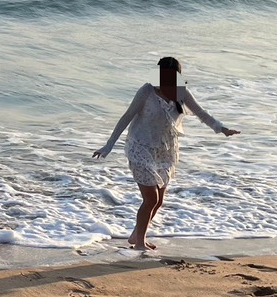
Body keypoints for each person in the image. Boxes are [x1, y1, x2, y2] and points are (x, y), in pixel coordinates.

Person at [91, 56, 239, 250]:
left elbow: (201, 113)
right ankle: (140, 243)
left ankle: (137, 235)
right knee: (150, 199)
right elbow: (127, 116)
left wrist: (222, 129)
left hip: (165, 152)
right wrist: (108, 145)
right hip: (141, 147)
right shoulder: (147, 91)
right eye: (162, 76)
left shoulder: (181, 92)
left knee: (159, 201)